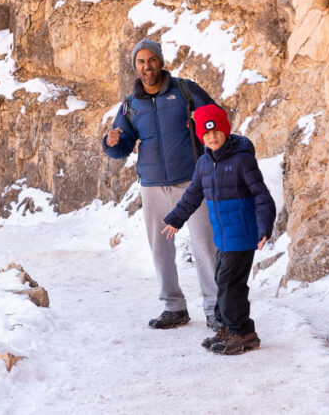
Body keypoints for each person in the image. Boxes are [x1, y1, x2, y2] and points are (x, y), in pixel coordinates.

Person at [103, 38, 220, 330]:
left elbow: (216, 118)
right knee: (160, 248)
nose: (147, 66)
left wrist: (199, 125)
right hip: (153, 184)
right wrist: (111, 143)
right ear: (135, 65)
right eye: (141, 61)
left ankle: (215, 308)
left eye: (151, 60)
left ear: (160, 61)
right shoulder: (130, 105)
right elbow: (122, 144)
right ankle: (174, 307)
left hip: (193, 182)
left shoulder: (184, 90)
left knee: (205, 245)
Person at [161, 104, 276, 355]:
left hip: (243, 234)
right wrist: (175, 219)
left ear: (225, 130)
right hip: (223, 238)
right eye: (206, 133)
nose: (212, 137)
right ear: (201, 136)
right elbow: (192, 196)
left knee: (228, 284)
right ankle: (238, 328)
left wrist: (264, 226)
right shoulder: (204, 163)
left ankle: (237, 332)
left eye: (217, 132)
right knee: (223, 280)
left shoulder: (242, 160)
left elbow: (261, 195)